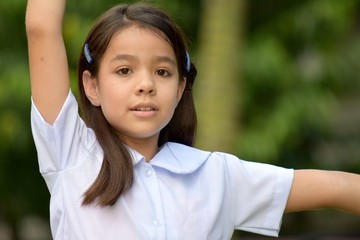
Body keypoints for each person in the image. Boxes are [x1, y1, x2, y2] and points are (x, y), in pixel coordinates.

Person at [26, 0, 360, 239]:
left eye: (162, 71)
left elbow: (337, 187)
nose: (146, 84)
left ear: (180, 87)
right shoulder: (71, 153)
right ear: (92, 86)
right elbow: (41, 27)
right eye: (124, 70)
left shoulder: (217, 175)